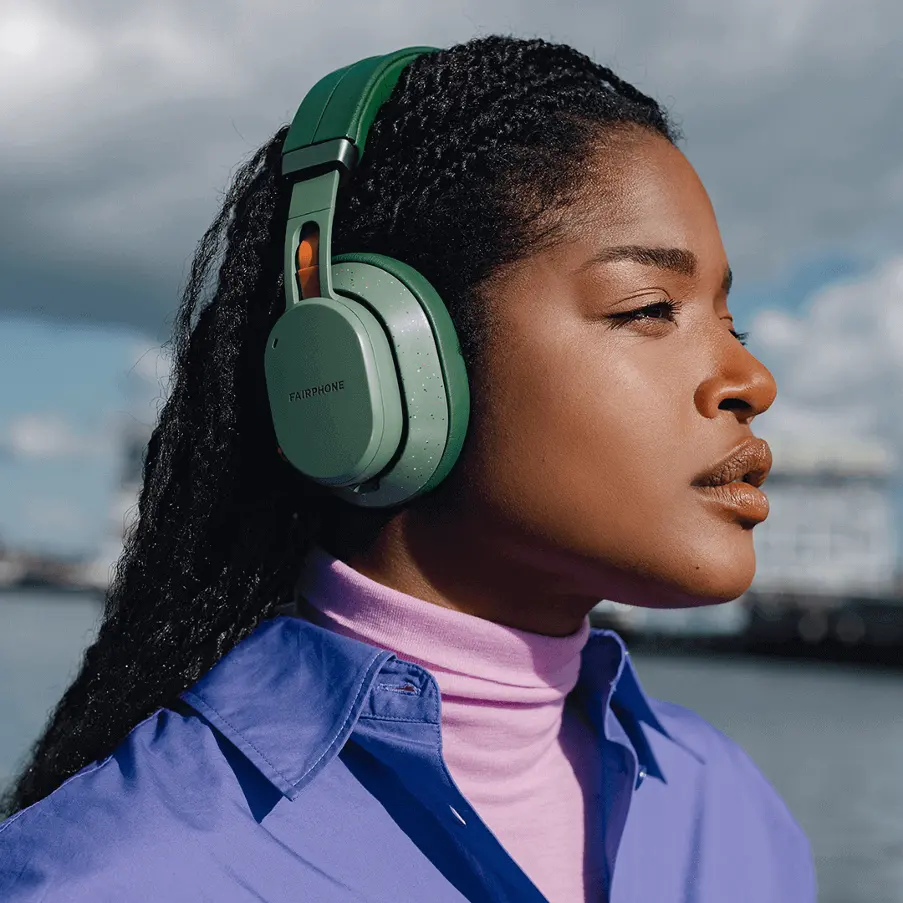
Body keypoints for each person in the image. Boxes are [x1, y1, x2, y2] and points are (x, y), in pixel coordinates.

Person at [0, 36, 816, 903]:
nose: (749, 381)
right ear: (369, 368)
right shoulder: (112, 878)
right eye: (650, 307)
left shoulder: (731, 810)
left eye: (736, 325)